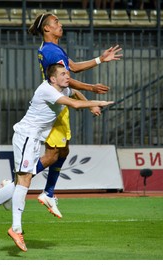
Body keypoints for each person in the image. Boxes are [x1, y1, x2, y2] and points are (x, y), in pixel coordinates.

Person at [0, 63, 114, 251]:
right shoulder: (47, 90)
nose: (67, 76)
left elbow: (75, 95)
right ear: (53, 79)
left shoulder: (61, 87)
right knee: (24, 182)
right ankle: (16, 228)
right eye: (63, 74)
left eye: (67, 73)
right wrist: (97, 103)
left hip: (32, 139)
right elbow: (73, 103)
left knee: (21, 182)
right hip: (26, 137)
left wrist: (89, 104)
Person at [27, 13, 122, 218]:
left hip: (60, 105)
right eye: (56, 23)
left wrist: (100, 59)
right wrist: (91, 88)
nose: (60, 25)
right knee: (52, 155)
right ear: (47, 29)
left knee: (63, 152)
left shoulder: (51, 49)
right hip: (56, 108)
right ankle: (19, 181)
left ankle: (48, 192)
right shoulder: (52, 51)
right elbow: (67, 80)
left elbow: (74, 67)